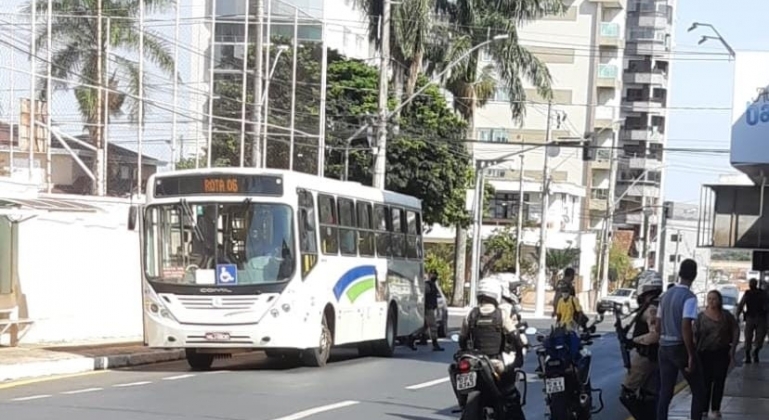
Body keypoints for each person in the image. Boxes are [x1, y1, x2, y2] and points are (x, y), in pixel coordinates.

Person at [656, 259, 707, 420]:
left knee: (665, 391)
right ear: (694, 275)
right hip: (679, 347)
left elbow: (657, 325)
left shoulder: (665, 296)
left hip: (663, 346)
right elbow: (686, 326)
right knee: (699, 390)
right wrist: (691, 354)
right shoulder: (689, 297)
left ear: (679, 273)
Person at [619, 270, 663, 420]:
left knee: (627, 394)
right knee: (648, 396)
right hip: (653, 357)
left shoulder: (651, 308)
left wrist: (633, 342)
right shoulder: (655, 304)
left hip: (646, 357)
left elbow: (655, 335)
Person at [458, 278, 519, 376]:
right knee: (510, 375)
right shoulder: (502, 314)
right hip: (495, 361)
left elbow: (462, 339)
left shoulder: (470, 314)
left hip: (475, 361)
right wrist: (518, 354)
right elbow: (515, 336)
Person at [694, 290, 739, 419]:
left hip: (721, 352)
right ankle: (704, 408)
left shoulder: (726, 316)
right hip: (704, 353)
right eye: (709, 299)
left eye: (714, 299)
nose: (711, 301)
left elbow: (735, 329)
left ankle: (715, 408)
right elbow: (694, 334)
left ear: (719, 300)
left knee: (719, 380)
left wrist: (733, 347)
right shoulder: (701, 317)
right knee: (705, 381)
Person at [408, 271, 444, 351]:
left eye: (435, 274)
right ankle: (435, 344)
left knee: (424, 326)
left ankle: (412, 337)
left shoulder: (432, 284)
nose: (434, 276)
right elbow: (423, 296)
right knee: (433, 326)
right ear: (429, 275)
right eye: (433, 274)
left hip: (428, 307)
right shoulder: (427, 285)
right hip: (428, 308)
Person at [737, 278, 768, 363]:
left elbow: (741, 305)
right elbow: (741, 305)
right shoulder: (748, 293)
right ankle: (749, 355)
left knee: (759, 337)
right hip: (751, 317)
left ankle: (754, 352)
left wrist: (738, 314)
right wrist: (737, 314)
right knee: (749, 337)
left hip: (758, 317)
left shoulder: (761, 294)